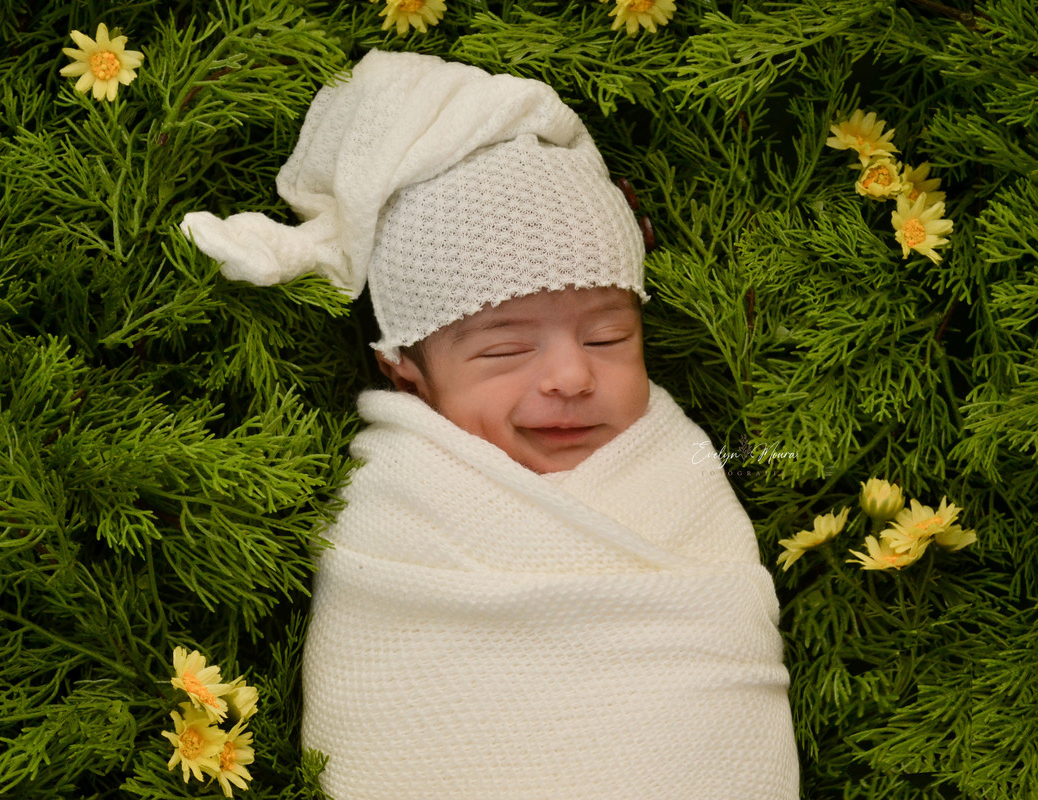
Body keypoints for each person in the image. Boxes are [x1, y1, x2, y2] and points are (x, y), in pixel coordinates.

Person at [181, 49, 799, 800]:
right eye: (506, 348)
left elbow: (713, 656)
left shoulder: (678, 472)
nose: (573, 377)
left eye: (609, 338)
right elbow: (384, 688)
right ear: (406, 370)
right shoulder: (400, 511)